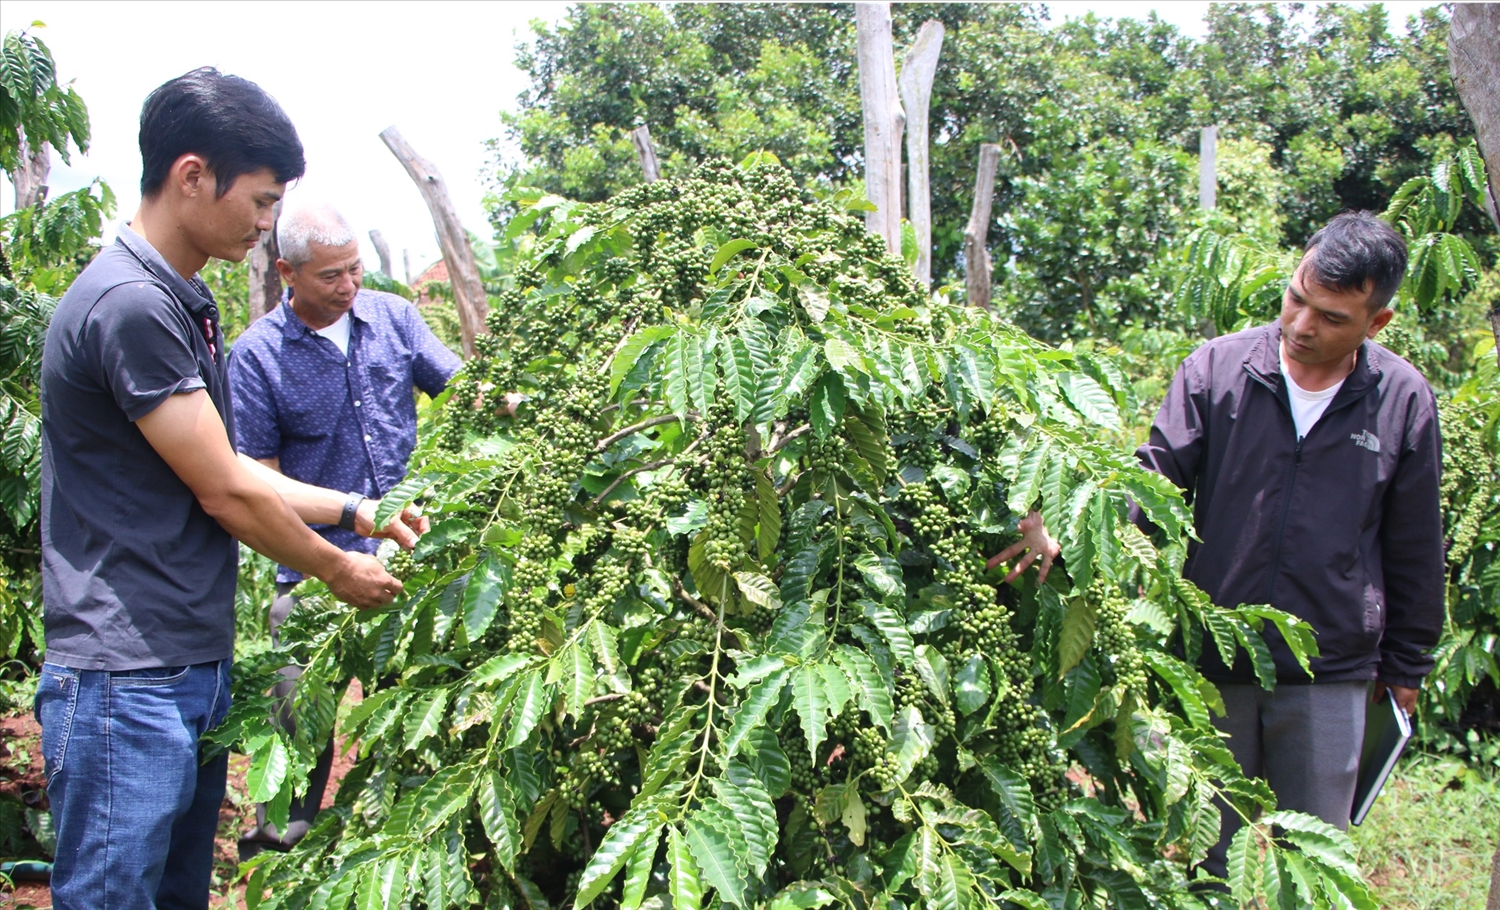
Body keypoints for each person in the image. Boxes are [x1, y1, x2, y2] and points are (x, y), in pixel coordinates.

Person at [36, 69, 418, 910]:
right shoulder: (130, 303)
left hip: (177, 660)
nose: (265, 225)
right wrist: (337, 568)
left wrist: (359, 511)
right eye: (259, 202)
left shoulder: (178, 299)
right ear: (192, 176)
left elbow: (233, 467)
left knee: (173, 895)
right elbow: (226, 495)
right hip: (122, 675)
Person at [991, 212, 1445, 884]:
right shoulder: (1219, 369)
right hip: (1215, 661)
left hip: (1330, 672)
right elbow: (1153, 480)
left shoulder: (1402, 400)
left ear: (1375, 324)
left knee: (1315, 870)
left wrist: (1407, 666)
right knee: (1208, 867)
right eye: (1296, 298)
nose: (1300, 325)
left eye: (1330, 317)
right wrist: (1070, 528)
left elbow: (1415, 544)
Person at [227, 203, 462, 856]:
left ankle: (405, 843)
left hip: (409, 560)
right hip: (309, 572)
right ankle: (281, 854)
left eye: (356, 269)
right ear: (287, 273)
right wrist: (345, 529)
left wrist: (518, 401)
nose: (349, 285)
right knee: (299, 721)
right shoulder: (255, 359)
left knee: (413, 711)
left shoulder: (394, 318)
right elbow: (257, 482)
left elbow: (460, 388)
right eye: (331, 275)